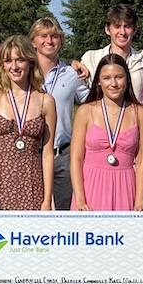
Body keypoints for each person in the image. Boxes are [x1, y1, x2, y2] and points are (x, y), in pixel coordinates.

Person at [0, 37, 56, 214]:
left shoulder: (46, 101)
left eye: (20, 60)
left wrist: (47, 199)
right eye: (8, 61)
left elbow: (48, 154)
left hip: (32, 184)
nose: (14, 66)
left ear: (30, 61)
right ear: (2, 65)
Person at [71, 54, 143, 211]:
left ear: (127, 79)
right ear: (99, 82)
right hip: (90, 188)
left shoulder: (140, 113)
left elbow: (142, 161)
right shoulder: (85, 112)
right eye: (107, 78)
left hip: (126, 187)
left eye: (119, 77)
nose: (113, 83)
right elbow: (76, 159)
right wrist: (80, 199)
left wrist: (140, 200)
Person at [30, 16, 90, 209]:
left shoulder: (72, 74)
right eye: (43, 36)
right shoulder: (25, 73)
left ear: (61, 41)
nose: (49, 41)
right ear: (33, 41)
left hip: (63, 154)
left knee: (65, 213)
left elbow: (91, 104)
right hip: (32, 154)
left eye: (54, 36)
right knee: (33, 210)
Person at [73, 3, 143, 105]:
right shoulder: (90, 58)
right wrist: (71, 63)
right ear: (107, 29)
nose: (122, 32)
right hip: (101, 120)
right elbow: (70, 85)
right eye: (117, 26)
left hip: (137, 119)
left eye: (127, 26)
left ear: (134, 30)